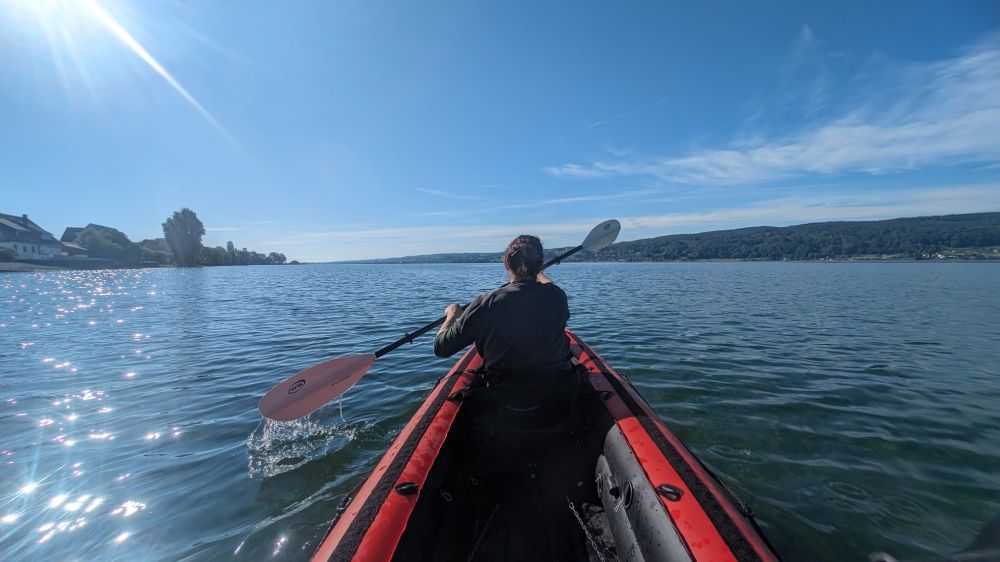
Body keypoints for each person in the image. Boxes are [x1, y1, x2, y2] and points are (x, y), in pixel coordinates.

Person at [433, 234, 572, 372]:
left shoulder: (485, 303)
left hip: (505, 391)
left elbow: (441, 349)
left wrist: (452, 316)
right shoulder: (557, 296)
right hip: (557, 387)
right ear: (540, 265)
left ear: (506, 263)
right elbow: (550, 287)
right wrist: (538, 273)